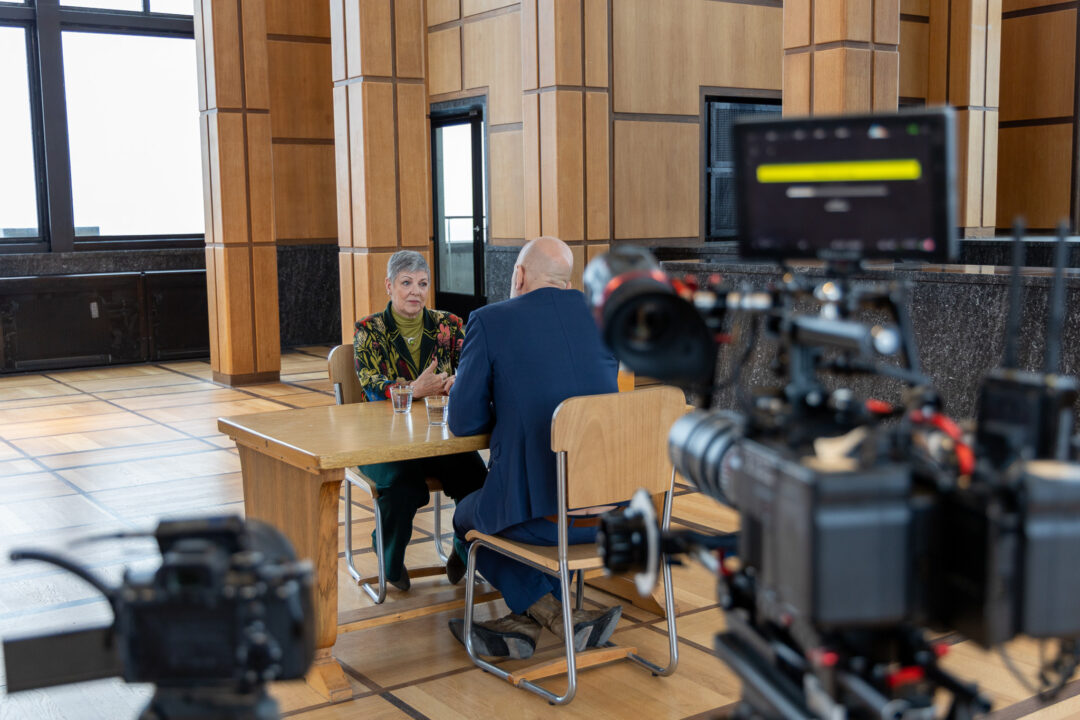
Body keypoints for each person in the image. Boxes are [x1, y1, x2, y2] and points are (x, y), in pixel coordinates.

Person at [444, 236, 623, 660]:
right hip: (613, 511)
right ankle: (526, 624)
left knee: (467, 518)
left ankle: (550, 614)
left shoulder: (490, 321)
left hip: (544, 520)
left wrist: (501, 403)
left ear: (519, 275)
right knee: (536, 504)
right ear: (567, 282)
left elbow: (464, 422)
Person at [353, 250, 487, 591]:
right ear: (389, 285)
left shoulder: (450, 325)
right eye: (406, 283)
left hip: (440, 437)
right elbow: (371, 384)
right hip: (383, 442)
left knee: (478, 480)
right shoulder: (369, 330)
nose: (416, 291)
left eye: (423, 283)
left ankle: (464, 549)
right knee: (405, 488)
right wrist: (413, 390)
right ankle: (388, 556)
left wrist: (459, 381)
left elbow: (473, 368)